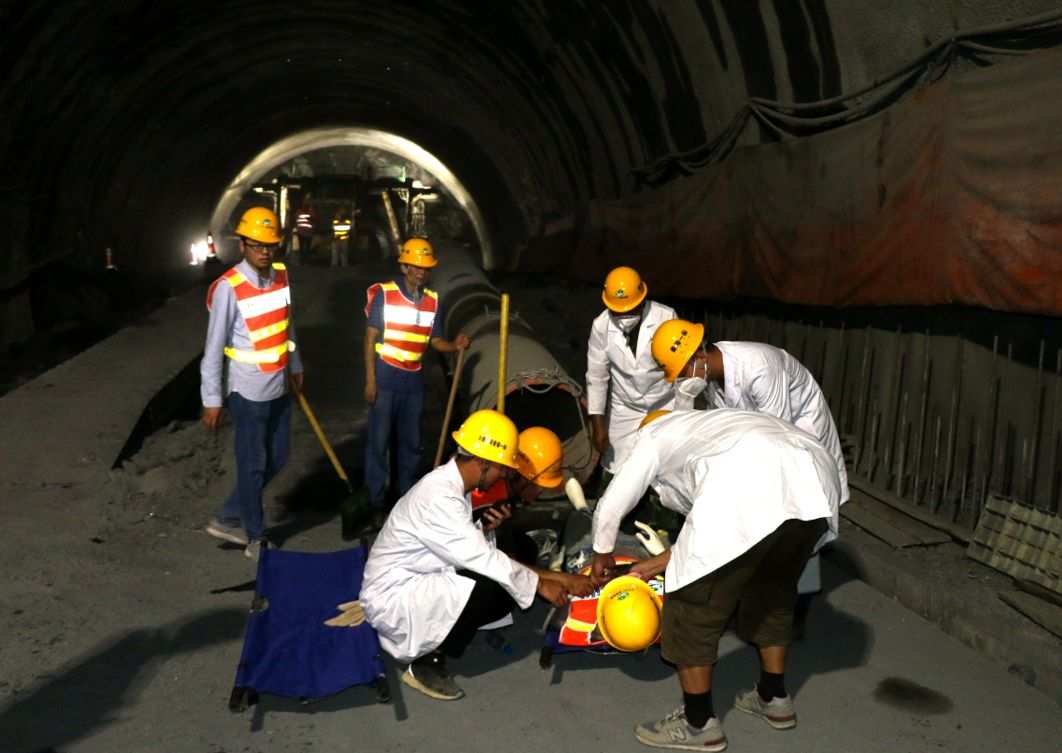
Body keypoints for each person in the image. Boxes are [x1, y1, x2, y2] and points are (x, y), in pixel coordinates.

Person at [591, 409, 841, 751]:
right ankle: (773, 697)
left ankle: (699, 725)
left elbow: (613, 504)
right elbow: (718, 523)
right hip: (814, 484)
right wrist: (653, 566)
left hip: (754, 488)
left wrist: (601, 553)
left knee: (691, 608)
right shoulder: (712, 428)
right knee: (772, 593)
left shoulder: (651, 438)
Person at [360, 410, 593, 701]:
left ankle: (455, 624)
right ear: (482, 463)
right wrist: (544, 583)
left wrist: (486, 530)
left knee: (505, 571)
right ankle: (427, 663)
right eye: (501, 469)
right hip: (393, 597)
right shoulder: (440, 497)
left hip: (419, 574)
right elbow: (485, 560)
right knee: (487, 583)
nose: (503, 476)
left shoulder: (455, 486)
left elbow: (471, 548)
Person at [201, 207, 304, 561]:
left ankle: (229, 514)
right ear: (242, 244)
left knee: (278, 457)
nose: (264, 251)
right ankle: (255, 536)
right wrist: (212, 398)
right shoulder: (229, 288)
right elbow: (213, 348)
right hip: (247, 392)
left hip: (279, 385)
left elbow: (287, 325)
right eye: (257, 245)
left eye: (269, 245)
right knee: (253, 464)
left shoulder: (280, 276)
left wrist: (296, 363)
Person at [650, 318, 848, 502]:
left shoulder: (759, 366)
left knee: (811, 501)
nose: (683, 379)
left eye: (683, 372)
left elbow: (776, 433)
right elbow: (723, 427)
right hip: (764, 433)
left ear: (700, 356)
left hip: (797, 429)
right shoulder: (710, 378)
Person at [363, 237, 469, 526]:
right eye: (415, 266)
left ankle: (405, 500)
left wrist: (454, 345)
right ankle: (375, 501)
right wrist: (370, 380)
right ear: (405, 266)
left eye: (425, 267)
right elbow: (371, 336)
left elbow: (435, 341)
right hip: (386, 377)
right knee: (379, 442)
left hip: (412, 381)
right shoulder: (385, 294)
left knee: (410, 444)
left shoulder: (433, 301)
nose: (420, 272)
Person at [586, 266, 677, 477]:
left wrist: (683, 410)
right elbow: (597, 377)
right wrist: (598, 426)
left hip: (664, 402)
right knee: (617, 469)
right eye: (618, 310)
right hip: (624, 407)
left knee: (665, 466)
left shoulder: (666, 317)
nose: (625, 314)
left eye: (631, 308)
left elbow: (679, 366)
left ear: (643, 300)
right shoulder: (600, 326)